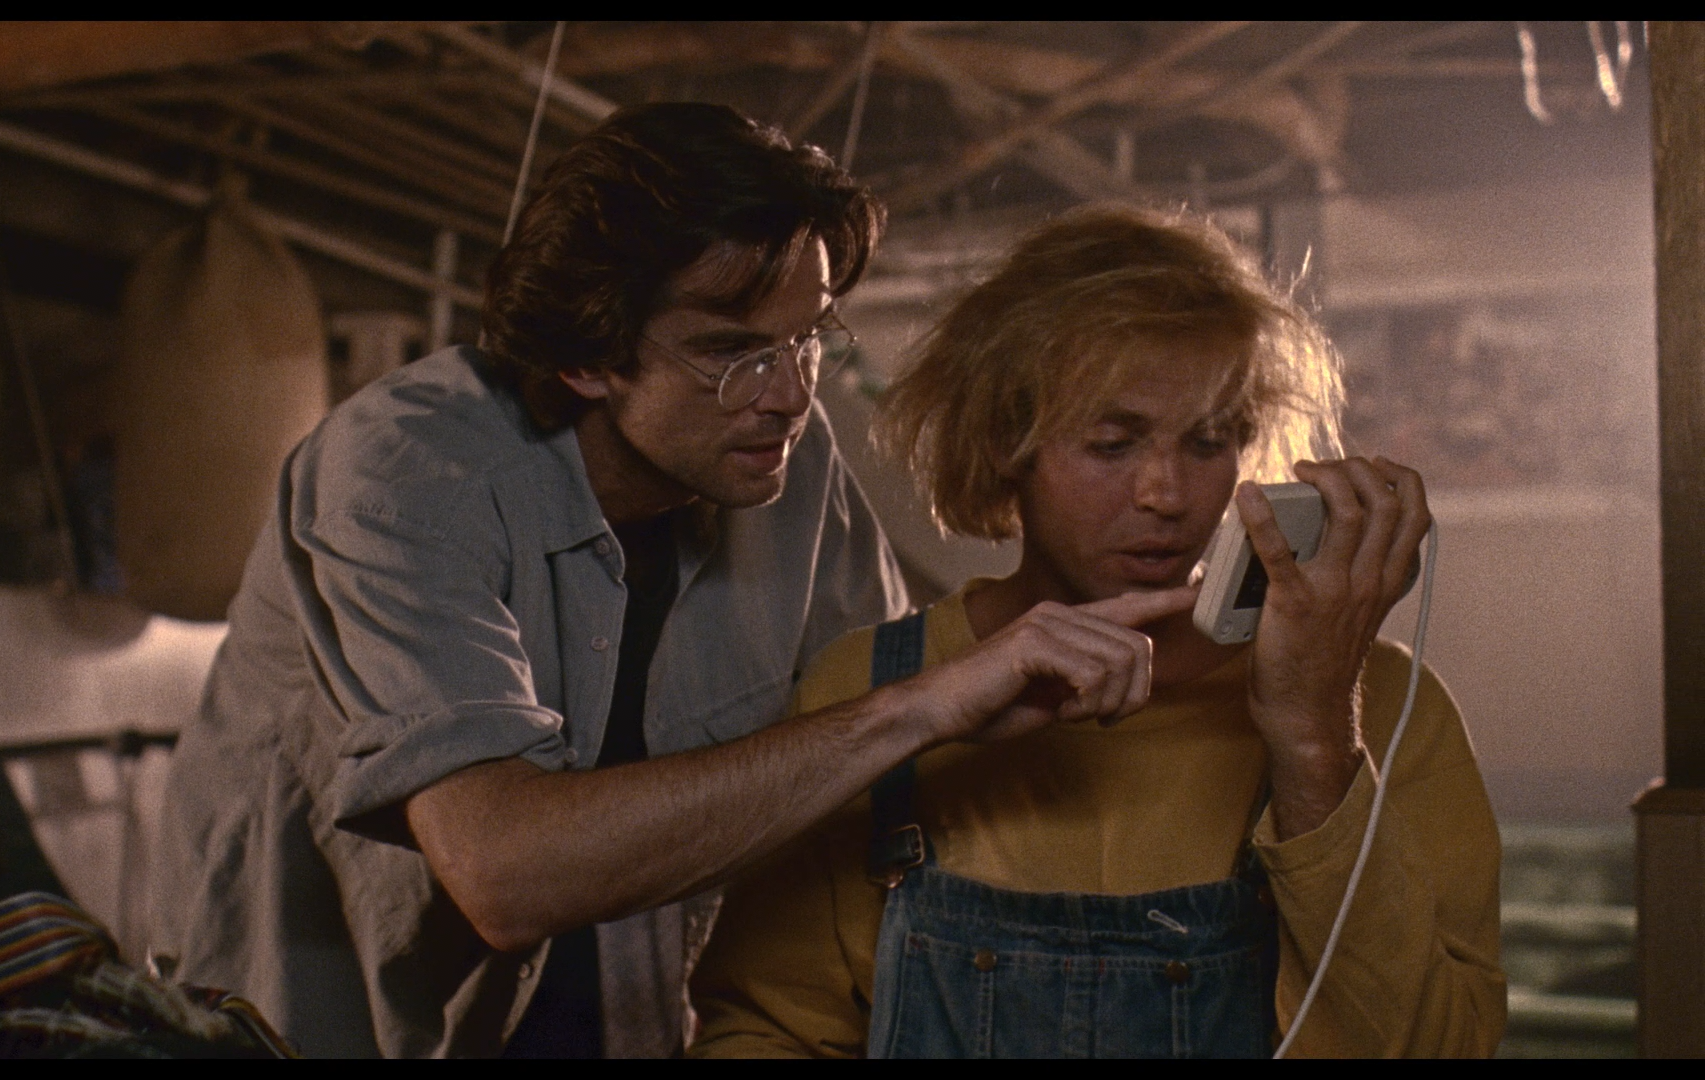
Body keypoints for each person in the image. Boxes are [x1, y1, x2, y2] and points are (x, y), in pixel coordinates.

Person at [154, 106, 1197, 1059]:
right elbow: (505, 874)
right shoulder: (407, 473)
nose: (788, 395)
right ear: (588, 357)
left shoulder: (790, 471)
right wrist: (922, 709)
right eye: (732, 351)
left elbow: (864, 752)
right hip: (325, 1034)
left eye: (806, 339)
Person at [687, 205, 1506, 1058]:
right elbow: (766, 1031)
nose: (1166, 494)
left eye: (1208, 442)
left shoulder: (1380, 705)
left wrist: (1315, 741)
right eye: (1113, 444)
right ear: (1006, 442)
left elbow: (1439, 1049)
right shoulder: (876, 689)